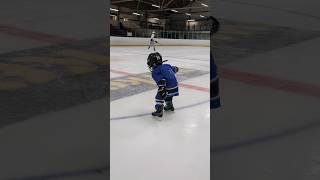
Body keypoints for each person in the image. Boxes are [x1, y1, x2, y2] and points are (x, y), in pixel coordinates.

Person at [147, 52, 179, 117]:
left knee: (159, 97)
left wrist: (162, 89)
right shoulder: (167, 65)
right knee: (168, 95)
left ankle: (159, 111)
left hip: (167, 87)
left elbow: (162, 80)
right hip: (175, 87)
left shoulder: (155, 72)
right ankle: (169, 106)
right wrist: (176, 68)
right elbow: (175, 69)